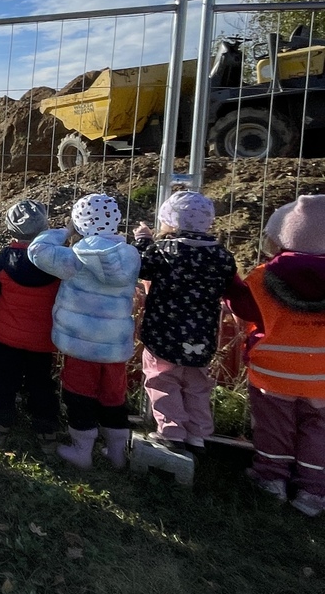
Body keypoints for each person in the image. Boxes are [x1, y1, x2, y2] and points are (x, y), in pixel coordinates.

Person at [227, 195, 325, 517]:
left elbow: (243, 307)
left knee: (274, 426)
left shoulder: (264, 276)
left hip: (275, 372)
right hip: (322, 377)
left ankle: (271, 479)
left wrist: (230, 285)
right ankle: (313, 491)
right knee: (318, 430)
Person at [28, 194, 141, 469]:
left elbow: (37, 251)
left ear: (80, 223)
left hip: (81, 346)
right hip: (115, 346)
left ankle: (82, 451)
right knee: (114, 398)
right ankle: (117, 453)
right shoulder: (131, 256)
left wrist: (65, 231)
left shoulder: (75, 258)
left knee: (79, 395)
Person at [132, 191, 239, 452]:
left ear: (170, 221)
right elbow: (228, 282)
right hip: (202, 335)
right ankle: (197, 435)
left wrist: (143, 241)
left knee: (162, 380)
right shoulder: (222, 256)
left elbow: (140, 266)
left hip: (163, 333)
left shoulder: (164, 250)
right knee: (197, 385)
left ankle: (171, 432)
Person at [0, 199, 62, 449]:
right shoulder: (56, 260)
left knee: (4, 380)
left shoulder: (3, 260)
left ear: (10, 228)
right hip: (43, 339)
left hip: (8, 337)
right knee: (41, 383)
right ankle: (46, 433)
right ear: (44, 227)